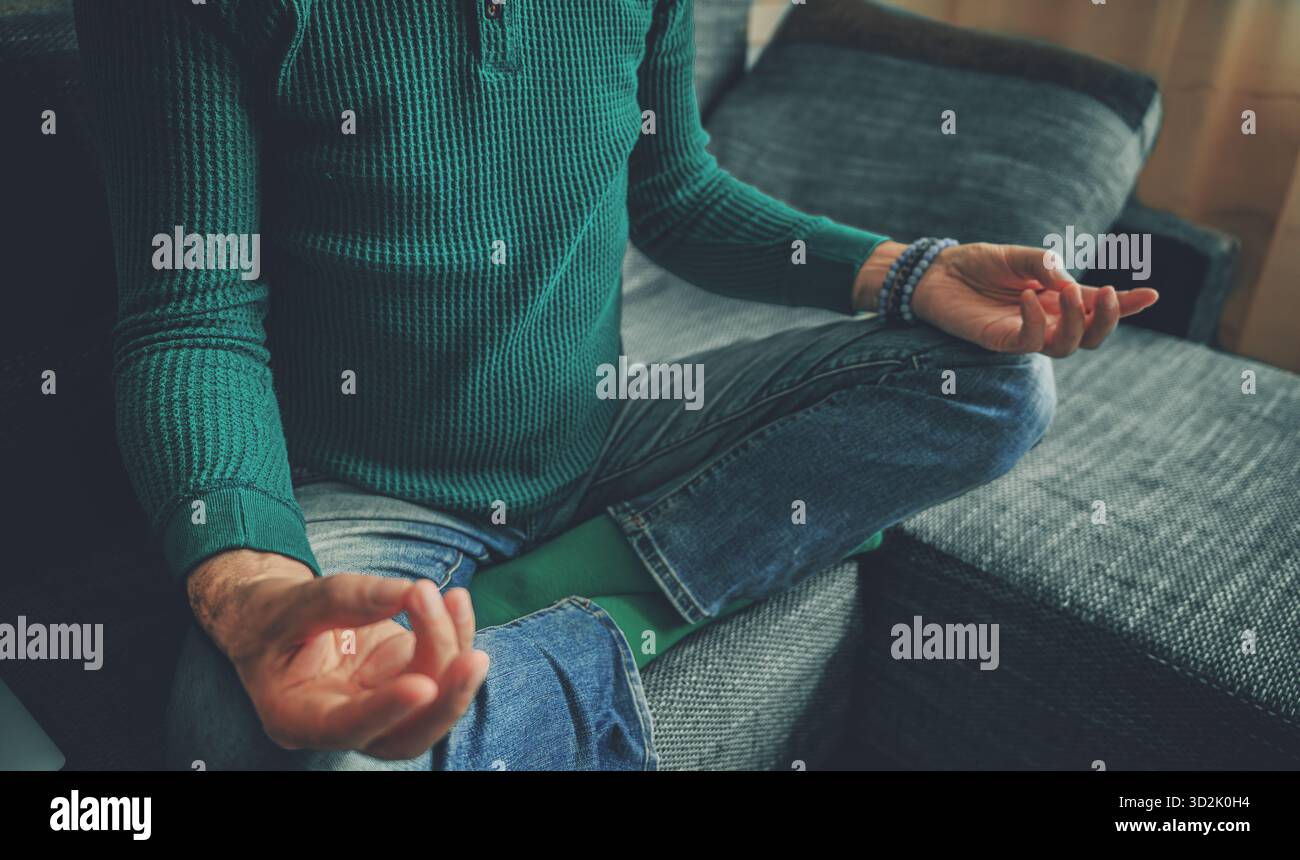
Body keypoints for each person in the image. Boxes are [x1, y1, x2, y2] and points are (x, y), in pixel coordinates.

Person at [74, 0, 1157, 770]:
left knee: (995, 386)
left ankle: (539, 607)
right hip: (360, 489)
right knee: (256, 744)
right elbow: (190, 316)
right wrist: (254, 588)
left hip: (596, 430)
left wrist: (908, 271)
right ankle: (595, 615)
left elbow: (676, 192)